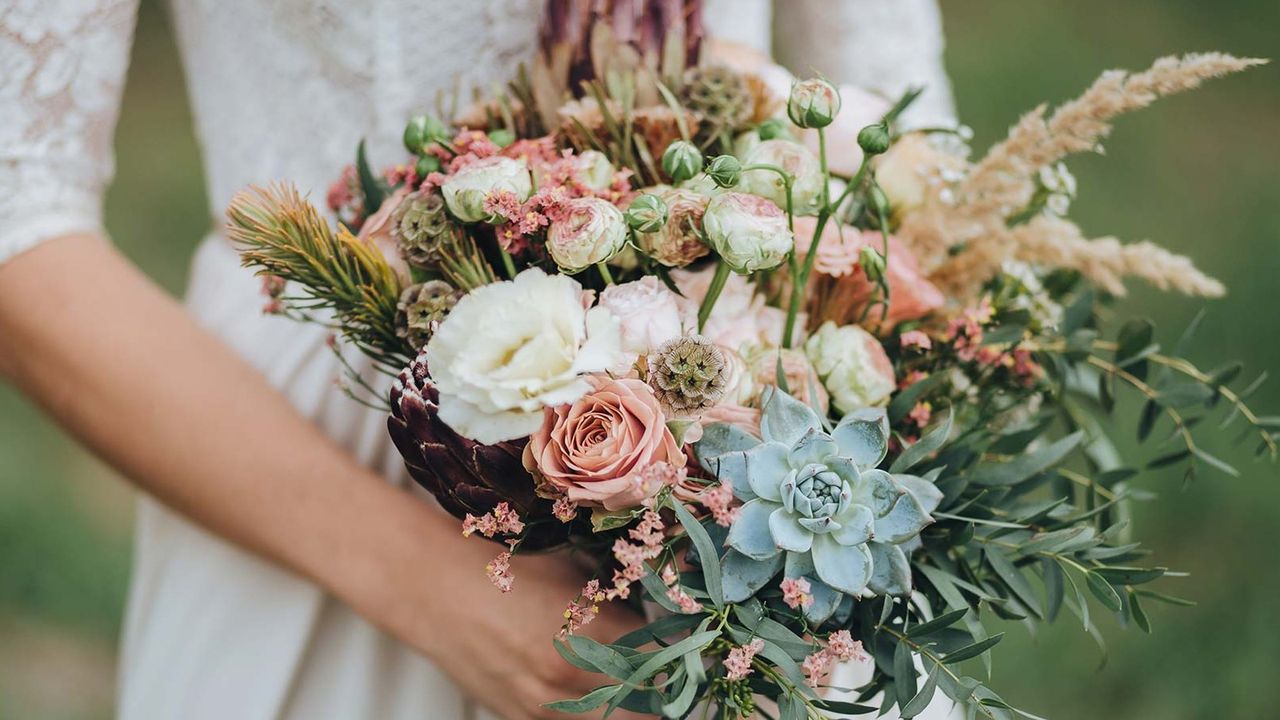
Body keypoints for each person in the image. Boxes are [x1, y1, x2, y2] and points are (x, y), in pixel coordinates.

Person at [0, 1, 954, 718]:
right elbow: (18, 208)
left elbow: (909, 124)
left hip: (754, 422)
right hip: (323, 441)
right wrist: (432, 588)